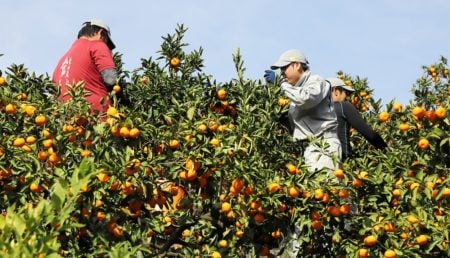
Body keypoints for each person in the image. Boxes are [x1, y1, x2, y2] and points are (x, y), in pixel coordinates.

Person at [265, 49, 341, 172]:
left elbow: (305, 99)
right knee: (312, 190)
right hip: (310, 149)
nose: (282, 73)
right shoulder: (295, 92)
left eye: (284, 68)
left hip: (324, 147)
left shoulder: (316, 81)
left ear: (297, 65)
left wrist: (281, 85)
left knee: (325, 187)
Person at [52, 19, 118, 113]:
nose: (106, 46)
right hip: (96, 113)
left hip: (68, 117)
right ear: (101, 33)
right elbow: (110, 78)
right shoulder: (97, 45)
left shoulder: (63, 59)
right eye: (106, 41)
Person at [327, 77, 387, 160]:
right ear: (336, 91)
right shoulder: (343, 106)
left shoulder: (312, 112)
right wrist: (387, 151)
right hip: (340, 165)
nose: (348, 98)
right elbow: (370, 135)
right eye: (347, 93)